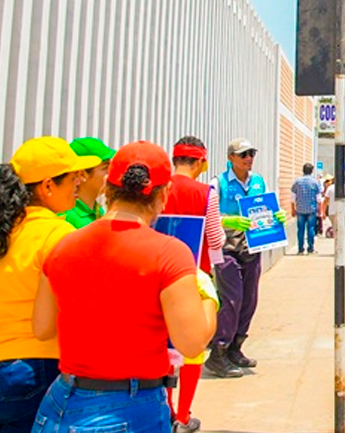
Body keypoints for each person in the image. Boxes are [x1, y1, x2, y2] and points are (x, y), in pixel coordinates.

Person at [32, 140, 219, 433]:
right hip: (132, 405)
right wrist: (208, 297)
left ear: (107, 187)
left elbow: (42, 327)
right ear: (165, 193)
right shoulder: (169, 253)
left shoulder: (62, 244)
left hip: (62, 401)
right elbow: (192, 342)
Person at [0, 137, 98, 433]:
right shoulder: (57, 235)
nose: (80, 182)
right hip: (36, 368)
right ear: (47, 186)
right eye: (73, 177)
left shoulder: (8, 229)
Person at [163, 136, 227, 433]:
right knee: (192, 348)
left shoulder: (157, 187)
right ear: (202, 162)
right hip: (192, 276)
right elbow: (215, 239)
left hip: (156, 275)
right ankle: (183, 416)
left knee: (160, 346)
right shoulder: (206, 192)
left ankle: (165, 409)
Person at [206, 138, 284, 378]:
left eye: (251, 153)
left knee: (249, 299)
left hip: (252, 248)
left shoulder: (258, 181)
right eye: (243, 155)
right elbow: (206, 214)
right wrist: (227, 220)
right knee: (232, 299)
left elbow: (268, 208)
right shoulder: (218, 183)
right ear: (231, 158)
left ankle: (235, 348)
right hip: (227, 247)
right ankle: (218, 352)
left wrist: (276, 216)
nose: (248, 158)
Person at [63, 137, 115, 228]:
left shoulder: (98, 210)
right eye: (106, 168)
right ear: (82, 174)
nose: (112, 173)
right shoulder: (67, 218)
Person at [291, 163, 322, 254]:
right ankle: (310, 248)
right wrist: (320, 210)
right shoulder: (315, 182)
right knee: (311, 228)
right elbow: (319, 198)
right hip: (311, 209)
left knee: (300, 229)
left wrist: (293, 209)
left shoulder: (297, 182)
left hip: (300, 208)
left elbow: (293, 197)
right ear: (312, 171)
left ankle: (300, 248)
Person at [322, 174, 345, 240]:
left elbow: (325, 201)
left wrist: (323, 212)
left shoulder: (330, 188)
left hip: (332, 212)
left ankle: (338, 243)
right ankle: (340, 244)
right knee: (342, 229)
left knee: (335, 230)